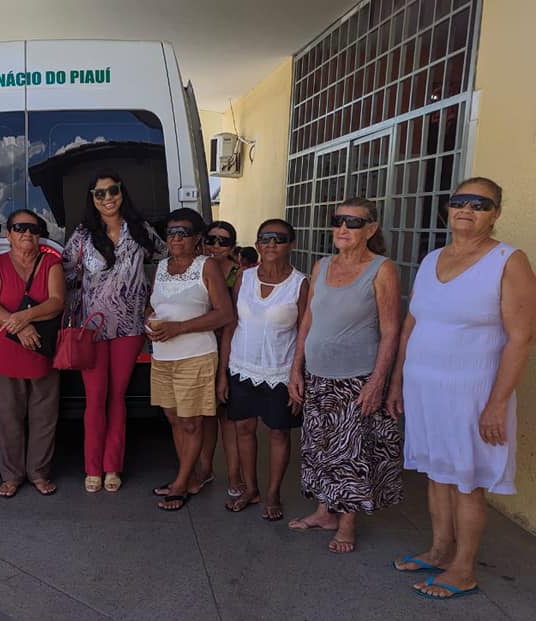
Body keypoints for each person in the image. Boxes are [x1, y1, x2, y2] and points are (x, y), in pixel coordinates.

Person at [388, 177, 536, 599]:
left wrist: (496, 404)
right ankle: (438, 549)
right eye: (459, 201)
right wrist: (399, 379)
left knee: (468, 481)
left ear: (496, 214)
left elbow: (522, 337)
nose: (467, 209)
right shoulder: (432, 258)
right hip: (425, 389)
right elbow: (412, 323)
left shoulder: (509, 261)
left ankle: (464, 569)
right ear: (448, 208)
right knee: (438, 475)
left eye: (481, 203)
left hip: (474, 395)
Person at [287, 198, 402, 553]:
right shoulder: (322, 266)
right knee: (320, 448)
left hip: (356, 379)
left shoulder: (381, 269)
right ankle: (325, 512)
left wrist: (377, 382)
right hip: (318, 376)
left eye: (353, 223)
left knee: (352, 454)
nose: (343, 229)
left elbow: (391, 330)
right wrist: (296, 366)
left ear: (371, 229)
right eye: (338, 221)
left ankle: (347, 524)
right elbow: (308, 320)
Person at [61, 172, 165, 493]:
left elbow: (167, 259)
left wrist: (153, 300)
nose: (107, 198)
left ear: (122, 192)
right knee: (95, 399)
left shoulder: (141, 230)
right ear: (92, 198)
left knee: (117, 397)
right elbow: (62, 271)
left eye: (113, 190)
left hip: (130, 325)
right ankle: (92, 467)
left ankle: (112, 467)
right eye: (99, 193)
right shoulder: (83, 234)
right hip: (91, 327)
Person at [148, 209, 235, 511]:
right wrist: (150, 322)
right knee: (174, 419)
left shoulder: (205, 266)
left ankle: (181, 483)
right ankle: (191, 473)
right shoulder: (161, 267)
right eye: (170, 232)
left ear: (198, 237)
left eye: (183, 232)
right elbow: (154, 305)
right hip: (162, 357)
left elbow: (225, 313)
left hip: (195, 356)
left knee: (191, 422)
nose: (175, 238)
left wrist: (179, 328)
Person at [223, 218, 308, 520]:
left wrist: (299, 377)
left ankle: (273, 493)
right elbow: (232, 324)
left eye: (279, 238)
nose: (271, 244)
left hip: (280, 372)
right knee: (243, 429)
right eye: (265, 238)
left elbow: (304, 333)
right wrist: (223, 373)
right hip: (241, 367)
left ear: (291, 244)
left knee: (278, 434)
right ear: (257, 244)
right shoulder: (243, 277)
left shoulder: (300, 284)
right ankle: (250, 488)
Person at [0, 209, 66, 498]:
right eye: (19, 228)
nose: (26, 233)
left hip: (42, 347)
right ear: (8, 233)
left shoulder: (51, 262)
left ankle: (39, 473)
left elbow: (56, 302)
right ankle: (12, 476)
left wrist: (25, 318)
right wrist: (20, 328)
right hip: (6, 348)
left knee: (44, 414)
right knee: (8, 416)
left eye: (33, 228)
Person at [198, 220, 243, 498]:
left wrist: (224, 369)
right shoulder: (196, 268)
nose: (216, 246)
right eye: (211, 239)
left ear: (233, 247)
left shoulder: (238, 274)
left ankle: (235, 476)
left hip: (228, 350)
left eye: (223, 241)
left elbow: (232, 321)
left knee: (228, 417)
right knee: (205, 416)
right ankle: (204, 470)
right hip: (200, 349)